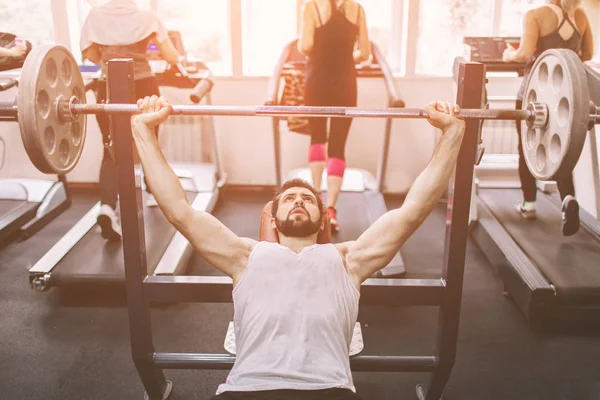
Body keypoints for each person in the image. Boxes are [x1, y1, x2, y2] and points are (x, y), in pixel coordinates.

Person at [130, 95, 465, 400]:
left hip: (328, 391)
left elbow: (413, 211)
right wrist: (142, 130)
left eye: (308, 199)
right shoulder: (244, 256)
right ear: (273, 220)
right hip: (247, 389)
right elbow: (179, 210)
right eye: (289, 199)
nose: (299, 201)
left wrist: (452, 133)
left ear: (324, 221)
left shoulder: (349, 259)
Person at [80, 0, 182, 241]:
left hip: (109, 86)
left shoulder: (95, 15)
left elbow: (89, 55)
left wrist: (110, 56)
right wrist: (143, 52)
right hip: (144, 85)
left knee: (110, 146)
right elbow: (171, 55)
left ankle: (107, 207)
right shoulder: (147, 17)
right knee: (150, 143)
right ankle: (153, 192)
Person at [502, 0, 594, 236]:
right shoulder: (580, 17)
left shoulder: (535, 15)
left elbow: (524, 53)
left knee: (526, 146)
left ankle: (529, 204)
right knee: (564, 150)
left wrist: (508, 55)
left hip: (534, 94)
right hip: (567, 97)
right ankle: (568, 199)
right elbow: (587, 54)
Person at [297, 0, 371, 233]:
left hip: (317, 81)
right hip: (346, 82)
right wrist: (346, 57)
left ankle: (316, 202)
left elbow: (305, 45)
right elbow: (366, 53)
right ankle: (331, 210)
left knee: (317, 138)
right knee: (338, 146)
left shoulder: (312, 7)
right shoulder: (358, 9)